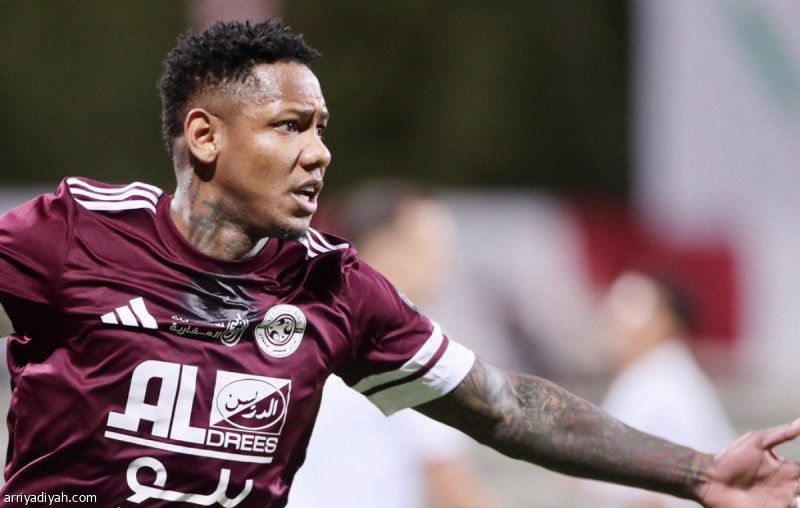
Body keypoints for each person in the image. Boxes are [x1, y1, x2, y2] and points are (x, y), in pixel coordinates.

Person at [0, 19, 798, 508]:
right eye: (289, 126)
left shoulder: (336, 289)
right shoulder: (74, 234)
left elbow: (507, 409)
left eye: (321, 127)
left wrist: (699, 474)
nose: (319, 153)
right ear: (205, 137)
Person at [288, 180, 509, 508]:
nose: (445, 263)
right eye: (433, 247)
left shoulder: (292, 325)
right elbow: (454, 490)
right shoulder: (412, 343)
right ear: (386, 248)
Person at [577, 270, 738, 507]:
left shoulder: (664, 383)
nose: (614, 321)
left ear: (665, 321)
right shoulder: (650, 376)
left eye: (631, 307)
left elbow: (657, 494)